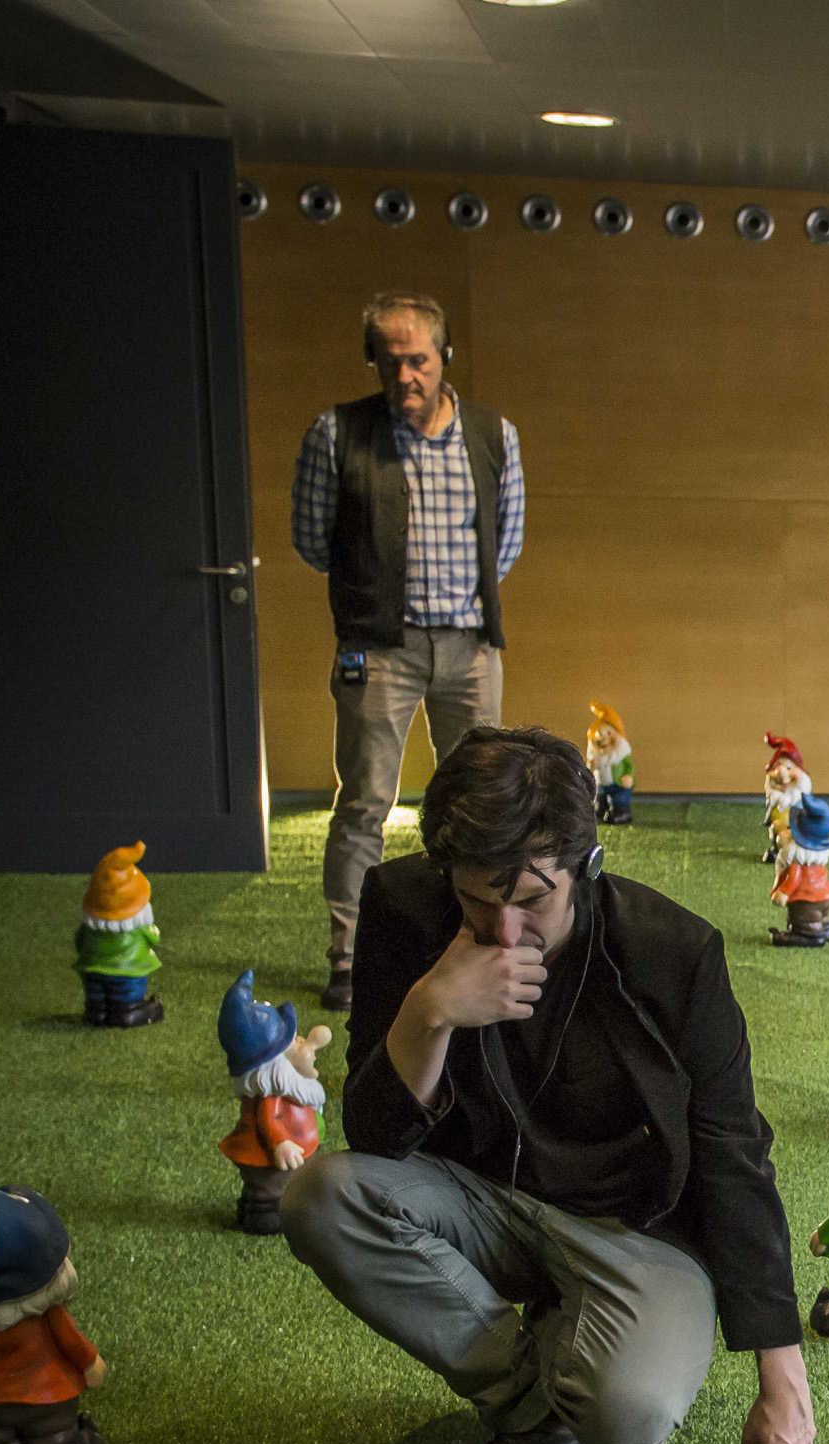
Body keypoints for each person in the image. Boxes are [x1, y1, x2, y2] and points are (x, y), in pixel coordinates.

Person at [280, 727, 829, 1444]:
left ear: (585, 864)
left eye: (533, 901)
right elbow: (373, 1139)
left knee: (631, 1409)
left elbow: (732, 1151)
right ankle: (535, 1415)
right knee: (318, 1195)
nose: (506, 933)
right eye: (478, 901)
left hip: (637, 1230)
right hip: (481, 1201)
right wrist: (429, 1010)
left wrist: (780, 1369)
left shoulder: (673, 954)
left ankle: (576, 1380)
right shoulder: (403, 908)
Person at [291, 291, 526, 1014]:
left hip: (470, 648)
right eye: (390, 362)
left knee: (483, 803)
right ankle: (350, 955)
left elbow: (507, 542)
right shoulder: (337, 434)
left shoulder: (493, 434)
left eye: (418, 360)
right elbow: (311, 538)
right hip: (377, 650)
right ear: (373, 363)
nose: (405, 376)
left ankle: (476, 939)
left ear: (443, 357)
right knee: (364, 801)